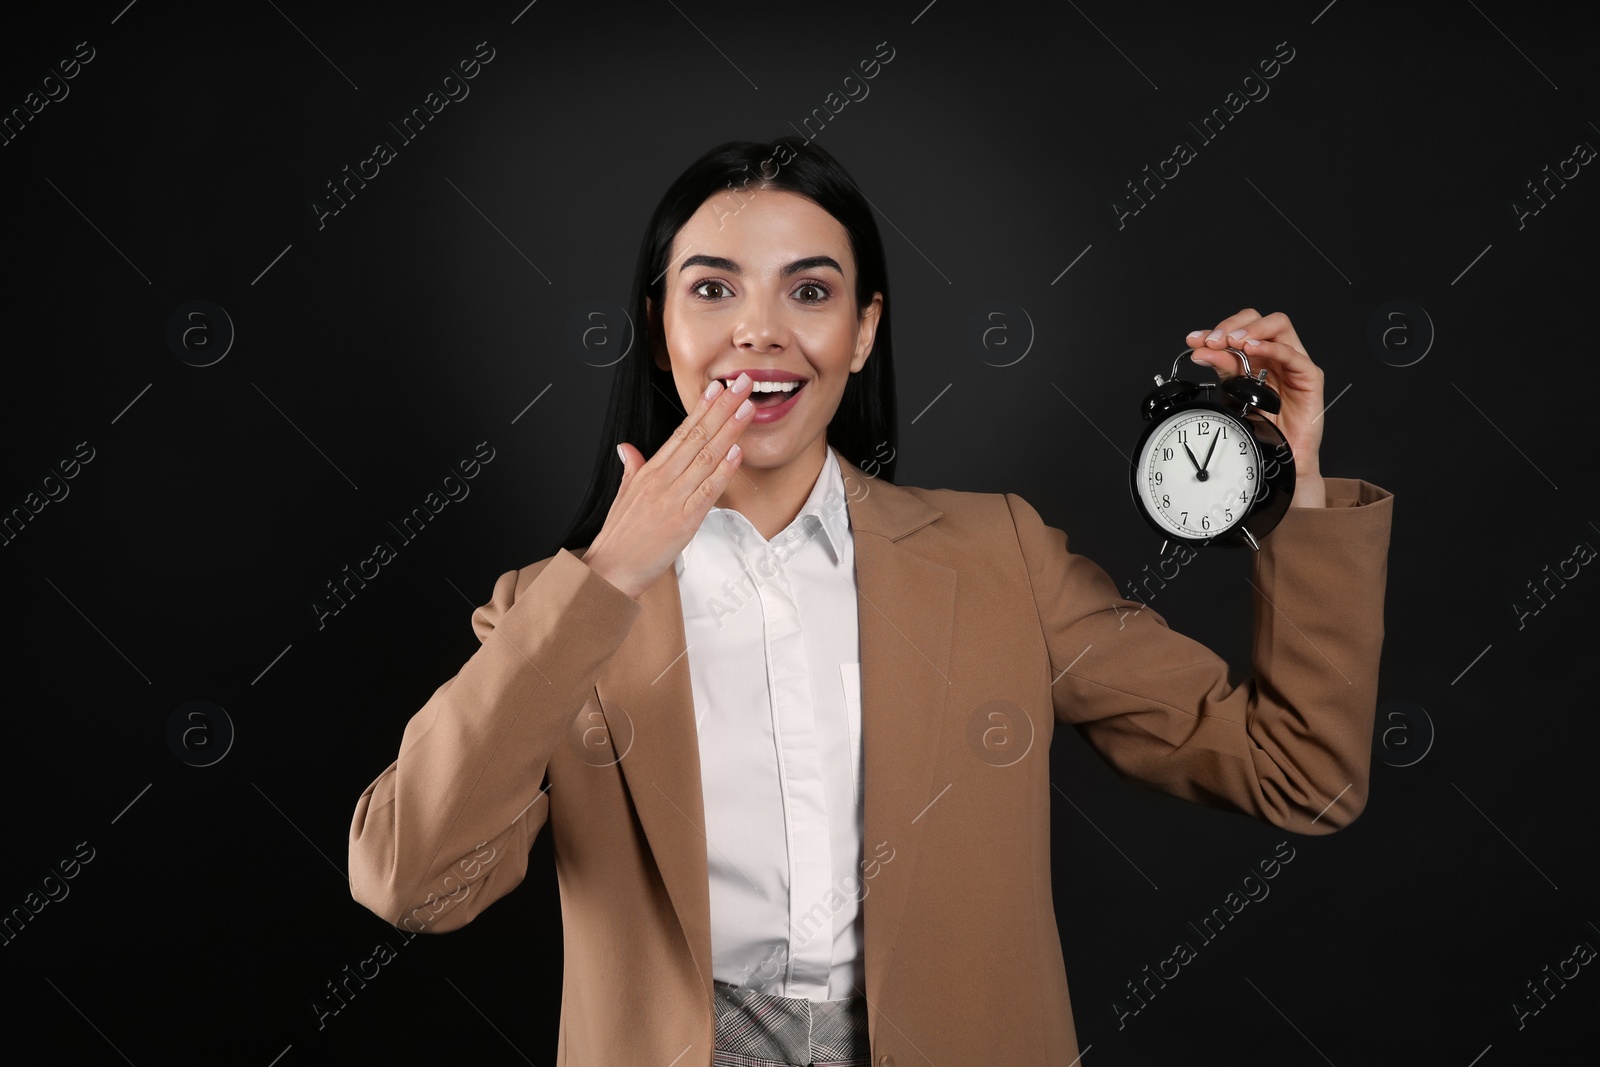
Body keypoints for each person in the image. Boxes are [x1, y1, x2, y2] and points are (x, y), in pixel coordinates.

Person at [347, 136, 1393, 1066]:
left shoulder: (999, 556)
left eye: (809, 291)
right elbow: (410, 879)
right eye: (712, 290)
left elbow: (1299, 775)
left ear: (861, 329)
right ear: (660, 325)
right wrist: (608, 575)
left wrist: (1292, 486)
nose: (759, 332)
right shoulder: (552, 607)